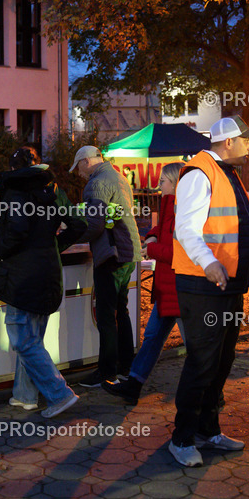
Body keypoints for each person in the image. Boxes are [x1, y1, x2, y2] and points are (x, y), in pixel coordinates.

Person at [169, 115, 249, 467]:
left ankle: (207, 431)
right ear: (229, 142)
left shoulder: (224, 172)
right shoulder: (200, 173)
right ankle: (182, 438)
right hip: (204, 284)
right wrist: (209, 263)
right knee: (202, 361)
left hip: (225, 285)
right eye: (247, 140)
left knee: (222, 360)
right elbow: (186, 229)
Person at [0, 146, 86, 417]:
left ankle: (60, 395)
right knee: (33, 339)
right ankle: (25, 396)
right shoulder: (55, 190)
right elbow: (79, 225)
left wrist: (1, 251)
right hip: (49, 272)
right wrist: (54, 244)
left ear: (13, 169)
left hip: (22, 276)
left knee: (23, 341)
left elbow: (16, 231)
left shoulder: (17, 189)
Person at [104, 162, 185, 405]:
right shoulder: (172, 205)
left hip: (179, 287)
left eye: (163, 181)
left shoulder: (181, 206)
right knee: (152, 337)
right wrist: (153, 232)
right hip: (168, 287)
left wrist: (152, 247)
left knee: (196, 346)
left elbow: (180, 250)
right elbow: (167, 230)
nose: (158, 186)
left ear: (175, 183)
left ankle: (209, 393)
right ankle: (133, 384)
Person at [70, 145, 142, 387]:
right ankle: (126, 367)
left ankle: (106, 372)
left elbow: (95, 224)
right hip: (128, 252)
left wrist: (66, 238)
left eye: (77, 167)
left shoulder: (97, 183)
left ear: (85, 162)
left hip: (111, 255)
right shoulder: (118, 176)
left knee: (106, 315)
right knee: (121, 311)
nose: (79, 173)